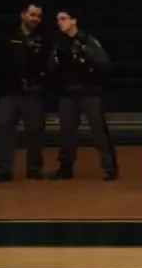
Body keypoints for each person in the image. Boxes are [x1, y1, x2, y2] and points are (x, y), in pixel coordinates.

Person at [47, 10, 116, 180]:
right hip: (67, 94)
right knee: (67, 132)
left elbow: (105, 62)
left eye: (63, 19)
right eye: (58, 20)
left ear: (74, 20)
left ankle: (110, 168)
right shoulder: (59, 43)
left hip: (90, 93)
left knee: (99, 132)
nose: (60, 23)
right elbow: (50, 68)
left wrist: (85, 49)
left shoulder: (88, 40)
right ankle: (65, 168)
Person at [0, 2, 48, 183]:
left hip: (33, 92)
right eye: (32, 14)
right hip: (10, 91)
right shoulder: (8, 37)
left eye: (38, 16)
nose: (35, 19)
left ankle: (34, 168)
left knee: (35, 132)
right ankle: (2, 169)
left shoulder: (44, 39)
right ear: (23, 15)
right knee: (3, 127)